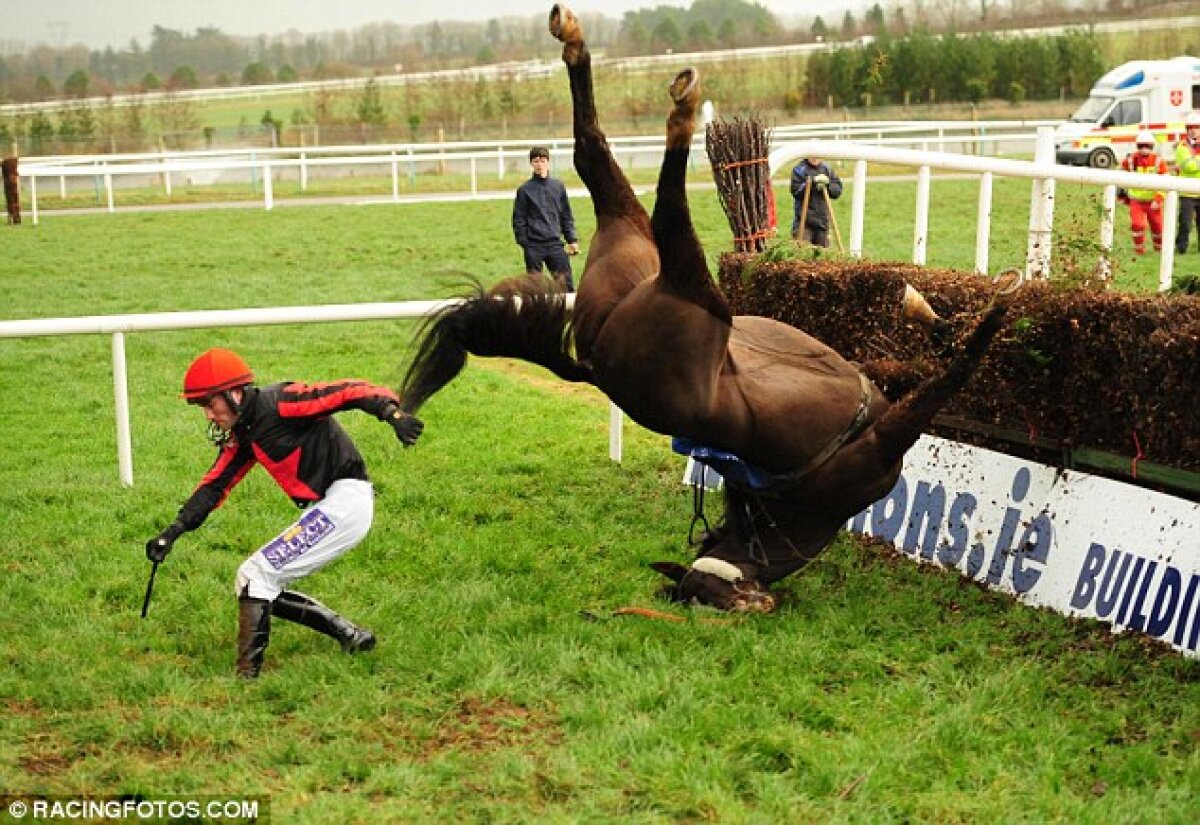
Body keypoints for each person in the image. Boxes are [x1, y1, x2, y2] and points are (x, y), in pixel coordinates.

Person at [144, 348, 424, 679]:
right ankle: (351, 636)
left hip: (347, 500)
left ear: (234, 394)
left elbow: (348, 391)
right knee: (253, 582)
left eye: (209, 404)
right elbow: (214, 486)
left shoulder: (281, 402)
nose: (208, 415)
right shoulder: (244, 434)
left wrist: (392, 413)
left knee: (255, 576)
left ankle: (246, 680)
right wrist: (173, 532)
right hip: (332, 505)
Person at [512, 146, 580, 290]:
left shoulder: (558, 186)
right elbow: (519, 219)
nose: (539, 164)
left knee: (566, 285)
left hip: (555, 244)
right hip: (534, 245)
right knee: (535, 288)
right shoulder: (524, 190)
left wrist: (572, 239)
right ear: (531, 164)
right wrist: (525, 243)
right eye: (536, 161)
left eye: (543, 161)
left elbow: (566, 215)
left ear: (548, 162)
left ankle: (567, 313)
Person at [1118, 130, 1169, 255]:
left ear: (1152, 146)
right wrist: (1122, 196)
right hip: (1136, 201)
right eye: (1141, 146)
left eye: (1147, 146)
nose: (1144, 149)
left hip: (1153, 202)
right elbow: (1118, 177)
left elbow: (1166, 182)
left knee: (1157, 227)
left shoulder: (1158, 161)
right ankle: (1139, 250)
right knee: (1137, 225)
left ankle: (1159, 250)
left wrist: (1159, 199)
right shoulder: (1130, 160)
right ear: (1137, 146)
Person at [790, 157, 843, 247]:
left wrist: (828, 185)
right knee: (803, 253)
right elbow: (796, 191)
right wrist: (811, 182)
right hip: (804, 222)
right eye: (812, 155)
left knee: (823, 256)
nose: (815, 158)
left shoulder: (828, 169)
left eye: (818, 156)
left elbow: (837, 192)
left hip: (822, 222)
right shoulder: (799, 169)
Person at [1174, 111, 1200, 254]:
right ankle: (1181, 249)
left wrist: (1194, 159)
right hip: (1187, 193)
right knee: (1185, 224)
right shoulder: (1182, 147)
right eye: (1190, 127)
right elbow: (1188, 167)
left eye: (1196, 127)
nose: (1193, 130)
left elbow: (1193, 164)